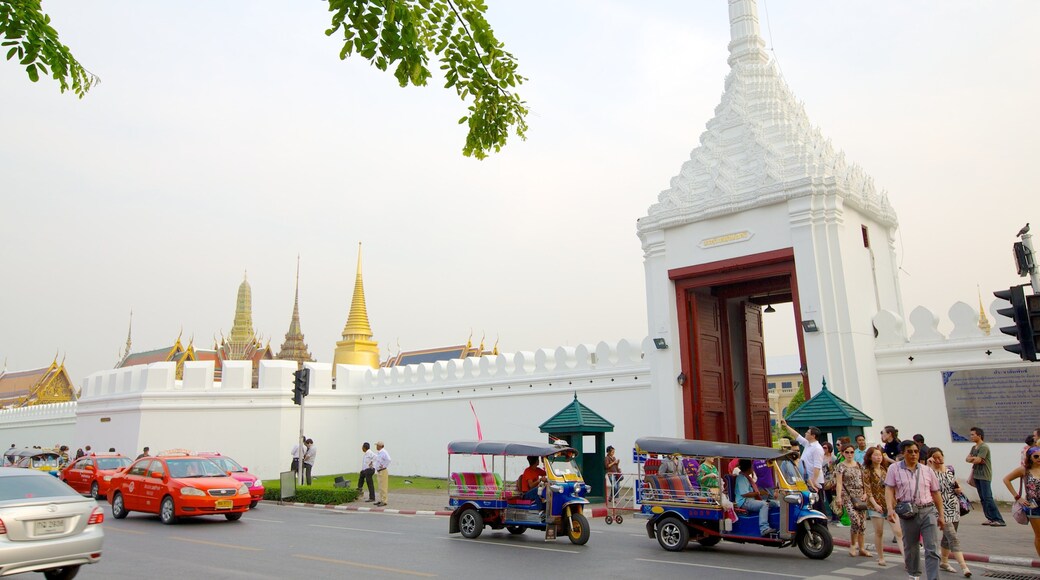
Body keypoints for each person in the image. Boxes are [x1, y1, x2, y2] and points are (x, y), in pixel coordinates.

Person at [885, 439, 945, 580]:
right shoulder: (894, 469)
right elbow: (889, 489)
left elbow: (936, 493)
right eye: (910, 452)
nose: (913, 454)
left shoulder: (927, 470)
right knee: (911, 548)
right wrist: (889, 509)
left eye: (916, 451)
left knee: (932, 548)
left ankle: (933, 578)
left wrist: (941, 515)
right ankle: (914, 575)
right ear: (903, 453)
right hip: (907, 512)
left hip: (927, 510)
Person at [929, 447, 971, 577]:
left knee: (948, 536)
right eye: (935, 457)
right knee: (953, 537)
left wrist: (959, 490)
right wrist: (929, 465)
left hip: (954, 506)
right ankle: (964, 567)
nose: (938, 459)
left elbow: (956, 484)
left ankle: (944, 562)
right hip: (940, 508)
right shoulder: (929, 472)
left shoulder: (949, 470)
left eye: (940, 456)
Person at [863, 446, 902, 567]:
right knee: (879, 532)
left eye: (880, 455)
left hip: (889, 504)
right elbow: (868, 490)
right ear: (870, 457)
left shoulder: (886, 469)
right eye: (875, 455)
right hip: (875, 505)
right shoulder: (867, 471)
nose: (878, 457)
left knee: (898, 532)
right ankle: (880, 557)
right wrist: (875, 504)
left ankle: (907, 558)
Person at [1003, 445, 1040, 557]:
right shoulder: (1024, 470)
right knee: (1039, 535)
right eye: (1036, 456)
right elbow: (1006, 479)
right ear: (1029, 457)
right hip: (1033, 506)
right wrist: (1017, 497)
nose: (1039, 459)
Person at [965, 426, 1005, 526]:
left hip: (984, 475)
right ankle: (990, 518)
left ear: (979, 435)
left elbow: (978, 460)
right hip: (977, 475)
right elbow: (967, 459)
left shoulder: (984, 447)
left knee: (988, 497)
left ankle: (998, 519)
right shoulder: (974, 447)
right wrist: (974, 459)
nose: (971, 437)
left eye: (973, 435)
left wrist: (973, 459)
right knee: (982, 498)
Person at [836, 443, 871, 556]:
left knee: (862, 523)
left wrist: (866, 493)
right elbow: (839, 483)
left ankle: (861, 548)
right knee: (855, 520)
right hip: (848, 496)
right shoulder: (841, 466)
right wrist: (838, 497)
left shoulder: (859, 465)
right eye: (847, 452)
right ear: (843, 453)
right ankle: (853, 545)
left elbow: (864, 480)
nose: (850, 454)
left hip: (860, 496)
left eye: (851, 452)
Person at [781, 419, 824, 509]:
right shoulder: (808, 444)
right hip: (806, 479)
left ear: (813, 436)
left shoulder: (817, 448)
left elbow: (817, 466)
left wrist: (813, 481)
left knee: (817, 505)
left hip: (814, 481)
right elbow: (797, 436)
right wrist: (786, 426)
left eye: (808, 433)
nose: (805, 433)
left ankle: (821, 522)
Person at [734, 459, 778, 536]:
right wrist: (759, 493)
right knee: (764, 504)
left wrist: (759, 493)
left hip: (751, 500)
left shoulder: (747, 477)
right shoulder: (741, 478)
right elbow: (745, 494)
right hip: (744, 501)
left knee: (775, 503)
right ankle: (764, 528)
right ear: (749, 467)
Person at [820, 442, 840, 524]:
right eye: (823, 447)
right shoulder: (821, 457)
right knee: (828, 498)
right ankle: (832, 515)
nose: (823, 449)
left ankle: (836, 516)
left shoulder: (833, 458)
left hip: (832, 480)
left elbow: (835, 470)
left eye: (825, 448)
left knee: (833, 499)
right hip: (824, 480)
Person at [374, 441, 391, 507]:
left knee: (383, 486)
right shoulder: (379, 453)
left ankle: (384, 501)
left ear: (380, 446)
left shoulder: (384, 452)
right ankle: (381, 499)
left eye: (377, 445)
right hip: (379, 471)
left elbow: (389, 460)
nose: (376, 447)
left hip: (383, 471)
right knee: (380, 486)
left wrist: (383, 466)